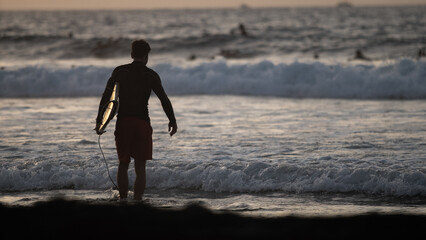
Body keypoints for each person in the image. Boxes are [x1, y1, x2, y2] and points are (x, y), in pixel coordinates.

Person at [96, 39, 177, 201]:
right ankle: (138, 201)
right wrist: (172, 120)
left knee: (123, 164)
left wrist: (100, 120)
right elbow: (164, 99)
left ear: (132, 54)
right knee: (140, 167)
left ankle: (123, 200)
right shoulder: (151, 75)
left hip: (124, 122)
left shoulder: (119, 72)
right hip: (142, 123)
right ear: (147, 55)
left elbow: (107, 97)